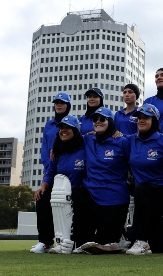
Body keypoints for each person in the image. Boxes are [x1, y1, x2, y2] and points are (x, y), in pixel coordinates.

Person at [125, 104, 163, 255]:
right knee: (158, 246)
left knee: (141, 188)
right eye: (139, 118)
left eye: (146, 118)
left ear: (154, 120)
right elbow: (110, 142)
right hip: (146, 198)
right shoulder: (130, 141)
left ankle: (140, 241)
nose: (141, 120)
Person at [75, 107, 131, 254]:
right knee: (77, 193)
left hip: (114, 197)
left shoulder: (122, 141)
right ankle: (77, 241)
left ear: (110, 122)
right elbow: (67, 138)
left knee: (106, 241)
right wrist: (54, 147)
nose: (98, 122)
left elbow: (140, 152)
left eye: (102, 119)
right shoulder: (87, 139)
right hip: (91, 193)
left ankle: (119, 238)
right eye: (95, 119)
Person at [34, 115, 87, 254]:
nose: (63, 131)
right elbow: (50, 172)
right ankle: (45, 242)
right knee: (42, 198)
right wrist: (43, 187)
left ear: (76, 130)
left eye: (67, 128)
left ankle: (79, 243)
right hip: (61, 191)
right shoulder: (57, 150)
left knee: (79, 198)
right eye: (61, 128)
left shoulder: (86, 146)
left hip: (80, 189)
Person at [30, 91, 71, 254]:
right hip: (51, 171)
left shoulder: (73, 122)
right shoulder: (49, 125)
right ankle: (46, 242)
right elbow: (45, 149)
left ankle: (68, 241)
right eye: (56, 102)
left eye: (62, 102)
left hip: (69, 172)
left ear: (68, 105)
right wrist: (48, 169)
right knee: (42, 199)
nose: (59, 105)